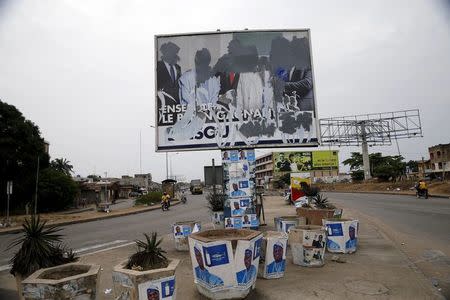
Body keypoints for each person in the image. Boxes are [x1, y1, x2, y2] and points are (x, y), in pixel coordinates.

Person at [157, 42, 182, 106]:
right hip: (163, 105)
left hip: (176, 106)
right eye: (171, 53)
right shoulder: (158, 66)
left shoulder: (178, 68)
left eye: (175, 54)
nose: (174, 56)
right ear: (165, 53)